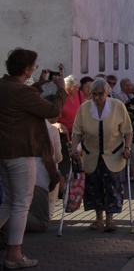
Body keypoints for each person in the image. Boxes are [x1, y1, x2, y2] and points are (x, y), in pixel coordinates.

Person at [0, 48, 65, 269]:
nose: (35, 69)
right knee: (20, 204)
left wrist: (39, 84)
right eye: (34, 66)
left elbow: (23, 98)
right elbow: (51, 110)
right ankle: (14, 255)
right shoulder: (20, 92)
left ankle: (13, 254)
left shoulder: (4, 86)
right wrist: (61, 91)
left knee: (10, 202)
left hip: (4, 153)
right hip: (21, 152)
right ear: (27, 69)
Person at [71, 78, 133, 232]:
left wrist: (127, 148)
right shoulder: (84, 108)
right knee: (94, 187)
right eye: (94, 94)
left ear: (108, 93)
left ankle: (110, 221)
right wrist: (74, 149)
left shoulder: (117, 106)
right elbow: (77, 132)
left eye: (101, 94)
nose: (97, 98)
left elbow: (127, 130)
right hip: (91, 154)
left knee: (112, 186)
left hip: (113, 153)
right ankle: (98, 220)